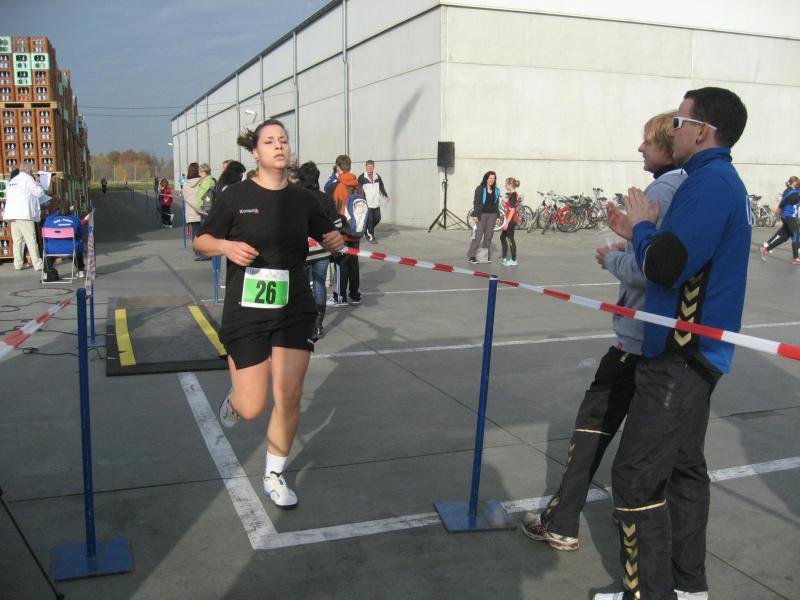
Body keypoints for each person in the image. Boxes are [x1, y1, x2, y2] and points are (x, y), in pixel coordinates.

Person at [593, 87, 750, 600]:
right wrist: (637, 232)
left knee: (636, 476)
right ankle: (687, 586)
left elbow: (664, 266)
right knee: (683, 469)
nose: (670, 131)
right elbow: (674, 256)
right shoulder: (713, 182)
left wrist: (642, 228)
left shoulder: (710, 184)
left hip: (680, 356)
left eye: (679, 123)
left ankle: (648, 593)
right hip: (690, 355)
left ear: (702, 131)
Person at [520, 111, 685, 553]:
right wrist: (626, 241)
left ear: (667, 146)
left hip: (639, 337)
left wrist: (611, 258)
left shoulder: (662, 190)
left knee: (592, 427)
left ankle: (562, 521)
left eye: (647, 142)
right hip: (665, 341)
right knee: (655, 443)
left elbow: (651, 269)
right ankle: (628, 517)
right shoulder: (688, 188)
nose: (640, 149)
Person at [193, 119, 344, 509]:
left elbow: (329, 235)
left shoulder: (304, 199)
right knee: (252, 406)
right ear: (255, 152)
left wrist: (335, 239)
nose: (278, 146)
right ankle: (236, 400)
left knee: (290, 394)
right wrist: (226, 247)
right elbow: (201, 240)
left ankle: (274, 474)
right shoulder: (234, 196)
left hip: (294, 305)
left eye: (283, 140)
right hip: (247, 309)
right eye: (270, 141)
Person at [299, 161, 339, 339]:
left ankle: (304, 322)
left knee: (301, 287)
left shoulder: (297, 197)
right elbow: (335, 223)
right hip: (322, 250)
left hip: (303, 251)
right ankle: (318, 325)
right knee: (319, 284)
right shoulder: (325, 198)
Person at [331, 154, 363, 306]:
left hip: (343, 232)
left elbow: (335, 210)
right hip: (356, 231)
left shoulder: (339, 187)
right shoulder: (358, 185)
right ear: (349, 167)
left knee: (341, 264)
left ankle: (340, 296)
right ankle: (355, 295)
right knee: (354, 263)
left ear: (338, 167)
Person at [4, 162, 46, 272]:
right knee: (31, 239)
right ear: (29, 170)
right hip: (24, 215)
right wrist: (38, 184)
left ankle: (18, 264)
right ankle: (38, 264)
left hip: (12, 214)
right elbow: (39, 193)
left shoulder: (12, 181)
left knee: (17, 241)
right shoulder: (28, 179)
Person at [760, 175, 800, 264]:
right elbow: (783, 202)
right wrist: (778, 212)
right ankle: (796, 258)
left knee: (785, 236)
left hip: (789, 216)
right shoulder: (792, 193)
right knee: (795, 234)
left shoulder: (795, 191)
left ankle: (766, 249)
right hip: (789, 216)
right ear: (793, 183)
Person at [467, 171, 501, 264]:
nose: (491, 180)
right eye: (490, 178)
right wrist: (475, 215)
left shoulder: (496, 190)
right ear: (486, 178)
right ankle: (472, 256)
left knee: (488, 237)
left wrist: (498, 216)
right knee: (477, 236)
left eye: (493, 178)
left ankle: (484, 256)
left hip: (492, 215)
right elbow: (476, 202)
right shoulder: (480, 189)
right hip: (481, 215)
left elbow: (496, 204)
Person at [43, 205, 85, 278]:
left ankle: (46, 272)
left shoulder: (49, 219)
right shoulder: (75, 219)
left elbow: (45, 237)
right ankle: (80, 270)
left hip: (52, 248)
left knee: (48, 248)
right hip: (71, 248)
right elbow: (79, 234)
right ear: (69, 209)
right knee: (78, 245)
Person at [357, 160, 389, 243]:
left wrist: (385, 196)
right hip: (367, 203)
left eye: (371, 167)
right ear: (366, 167)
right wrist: (360, 200)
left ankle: (367, 230)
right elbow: (358, 189)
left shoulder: (377, 176)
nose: (370, 168)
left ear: (373, 167)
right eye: (368, 167)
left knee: (378, 218)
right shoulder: (362, 177)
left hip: (376, 202)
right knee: (370, 220)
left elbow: (381, 187)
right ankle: (371, 237)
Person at [182, 163, 204, 259]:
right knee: (202, 231)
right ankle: (202, 251)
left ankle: (196, 249)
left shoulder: (186, 183)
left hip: (191, 210)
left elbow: (185, 197)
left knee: (195, 231)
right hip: (201, 209)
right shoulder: (202, 181)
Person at [195, 164, 216, 260]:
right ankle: (206, 253)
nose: (199, 173)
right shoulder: (208, 180)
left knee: (205, 231)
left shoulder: (208, 181)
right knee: (205, 230)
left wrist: (198, 207)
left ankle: (206, 254)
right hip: (205, 208)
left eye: (200, 171)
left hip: (205, 208)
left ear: (204, 171)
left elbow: (203, 196)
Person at [499, 177, 520, 266]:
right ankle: (504, 257)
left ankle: (514, 260)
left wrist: (507, 223)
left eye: (506, 184)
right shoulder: (512, 194)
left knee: (510, 239)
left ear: (510, 185)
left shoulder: (513, 195)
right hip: (509, 220)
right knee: (502, 237)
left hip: (511, 221)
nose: (505, 186)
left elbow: (512, 210)